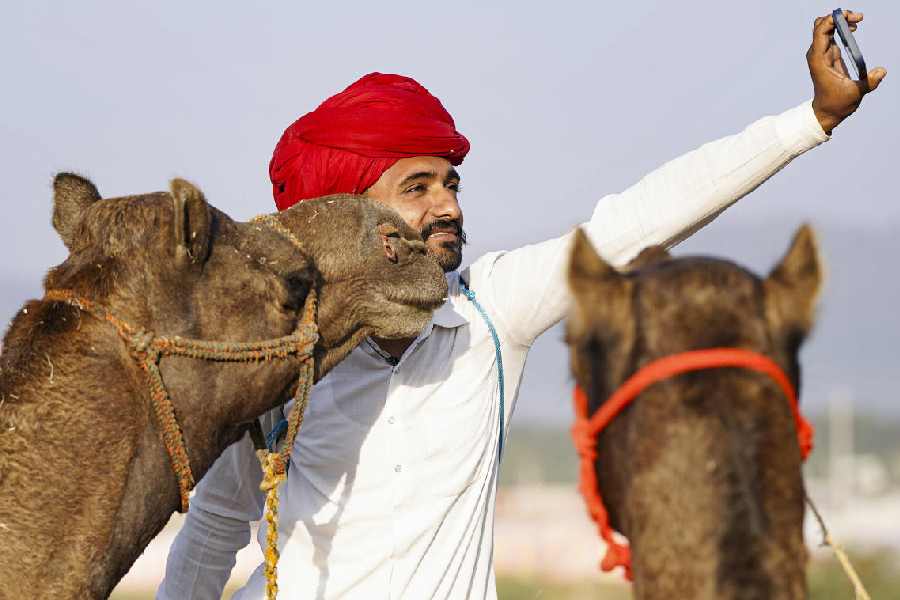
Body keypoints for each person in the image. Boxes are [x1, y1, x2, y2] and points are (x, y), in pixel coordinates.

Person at [158, 12, 885, 599]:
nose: (446, 204)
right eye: (417, 188)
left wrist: (809, 121)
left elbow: (638, 220)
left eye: (451, 183)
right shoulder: (276, 353)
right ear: (345, 211)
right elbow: (217, 525)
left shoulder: (487, 316)